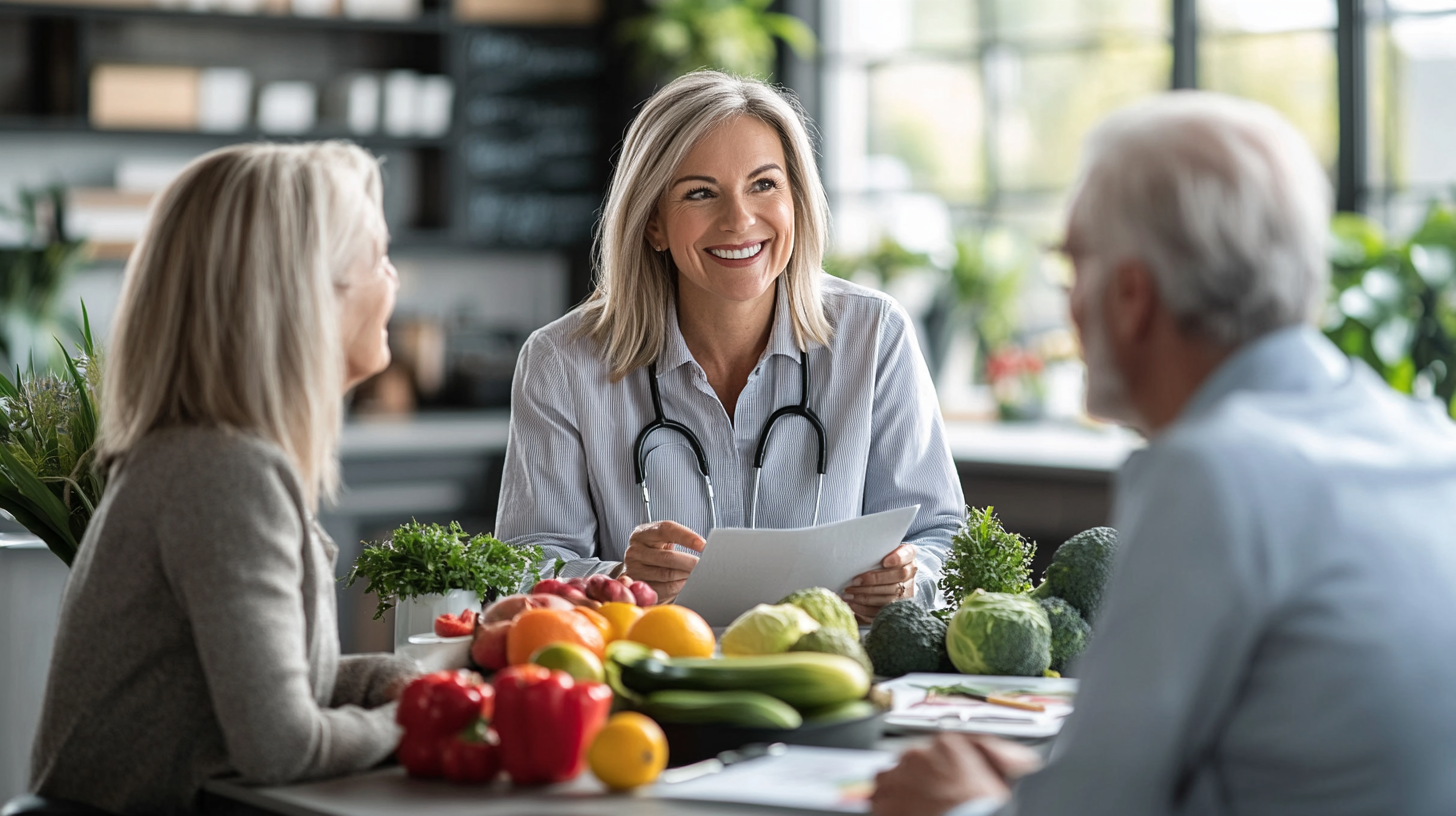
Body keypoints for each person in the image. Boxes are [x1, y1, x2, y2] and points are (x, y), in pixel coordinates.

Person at [872, 92, 1456, 816]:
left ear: (1130, 296)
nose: (1067, 304)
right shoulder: (1425, 437)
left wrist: (963, 807)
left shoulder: (1217, 471)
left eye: (1072, 267)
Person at [29, 143, 416, 815]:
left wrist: (381, 681)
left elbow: (253, 690)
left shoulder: (209, 456)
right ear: (308, 294)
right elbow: (283, 746)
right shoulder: (223, 474)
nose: (395, 282)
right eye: (378, 258)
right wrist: (415, 725)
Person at [495, 70, 963, 620]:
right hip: (652, 683)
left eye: (764, 184)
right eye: (700, 193)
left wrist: (911, 577)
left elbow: (939, 536)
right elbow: (524, 566)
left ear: (797, 200)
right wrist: (621, 580)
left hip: (830, 676)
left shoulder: (875, 335)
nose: (739, 220)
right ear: (653, 225)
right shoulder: (561, 363)